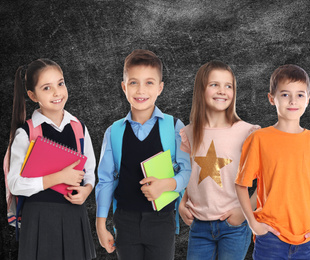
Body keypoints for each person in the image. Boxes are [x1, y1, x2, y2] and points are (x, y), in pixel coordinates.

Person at [95, 49, 191, 260]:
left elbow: (187, 171)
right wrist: (101, 224)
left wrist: (166, 185)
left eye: (149, 83)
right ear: (124, 87)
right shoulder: (114, 132)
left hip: (162, 221)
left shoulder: (174, 127)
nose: (141, 90)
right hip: (125, 222)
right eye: (133, 83)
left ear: (160, 88)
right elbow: (105, 180)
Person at [235, 64, 310, 260]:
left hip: (308, 239)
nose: (293, 101)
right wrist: (253, 223)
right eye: (285, 94)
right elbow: (241, 185)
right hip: (271, 238)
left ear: (308, 99)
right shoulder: (259, 139)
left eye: (300, 95)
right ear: (272, 98)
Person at [6, 59, 96, 260]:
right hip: (39, 218)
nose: (57, 92)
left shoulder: (79, 127)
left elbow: (90, 170)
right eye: (47, 88)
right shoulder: (27, 133)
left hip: (74, 215)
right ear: (32, 95)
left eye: (60, 83)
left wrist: (87, 190)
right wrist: (58, 177)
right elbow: (15, 184)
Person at [179, 60, 258, 260]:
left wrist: (245, 210)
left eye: (228, 86)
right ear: (200, 90)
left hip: (234, 226)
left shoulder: (247, 132)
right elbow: (188, 173)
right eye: (214, 84)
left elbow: (269, 178)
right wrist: (182, 202)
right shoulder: (188, 133)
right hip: (199, 226)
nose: (222, 91)